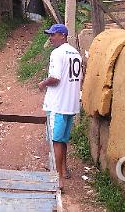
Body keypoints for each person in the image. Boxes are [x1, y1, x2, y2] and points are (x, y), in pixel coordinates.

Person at [38, 24, 82, 190]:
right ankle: (64, 170)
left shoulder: (57, 53)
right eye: (50, 35)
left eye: (53, 35)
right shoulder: (75, 53)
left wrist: (42, 84)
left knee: (55, 141)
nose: (50, 38)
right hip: (70, 104)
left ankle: (58, 179)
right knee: (63, 140)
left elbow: (55, 78)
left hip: (58, 104)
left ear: (63, 36)